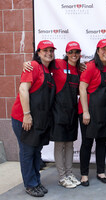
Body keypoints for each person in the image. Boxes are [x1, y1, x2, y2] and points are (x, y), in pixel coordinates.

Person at [23, 41, 82, 189]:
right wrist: (26, 63)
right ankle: (62, 177)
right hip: (57, 112)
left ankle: (69, 173)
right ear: (66, 53)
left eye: (76, 52)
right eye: (71, 52)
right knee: (60, 144)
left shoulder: (80, 69)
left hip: (72, 112)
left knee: (70, 144)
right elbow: (40, 61)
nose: (74, 55)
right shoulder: (57, 63)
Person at [11, 40, 56, 197]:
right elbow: (23, 89)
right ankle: (30, 184)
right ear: (38, 52)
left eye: (51, 50)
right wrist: (27, 115)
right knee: (28, 151)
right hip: (24, 118)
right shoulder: (34, 66)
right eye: (45, 50)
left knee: (36, 151)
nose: (49, 53)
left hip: (37, 120)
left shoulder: (48, 69)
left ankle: (36, 181)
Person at [78, 39, 106, 187]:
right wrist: (86, 112)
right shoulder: (90, 66)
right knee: (87, 143)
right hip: (89, 111)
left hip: (104, 111)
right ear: (98, 51)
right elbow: (82, 88)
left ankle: (101, 172)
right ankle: (84, 175)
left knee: (101, 142)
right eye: (103, 49)